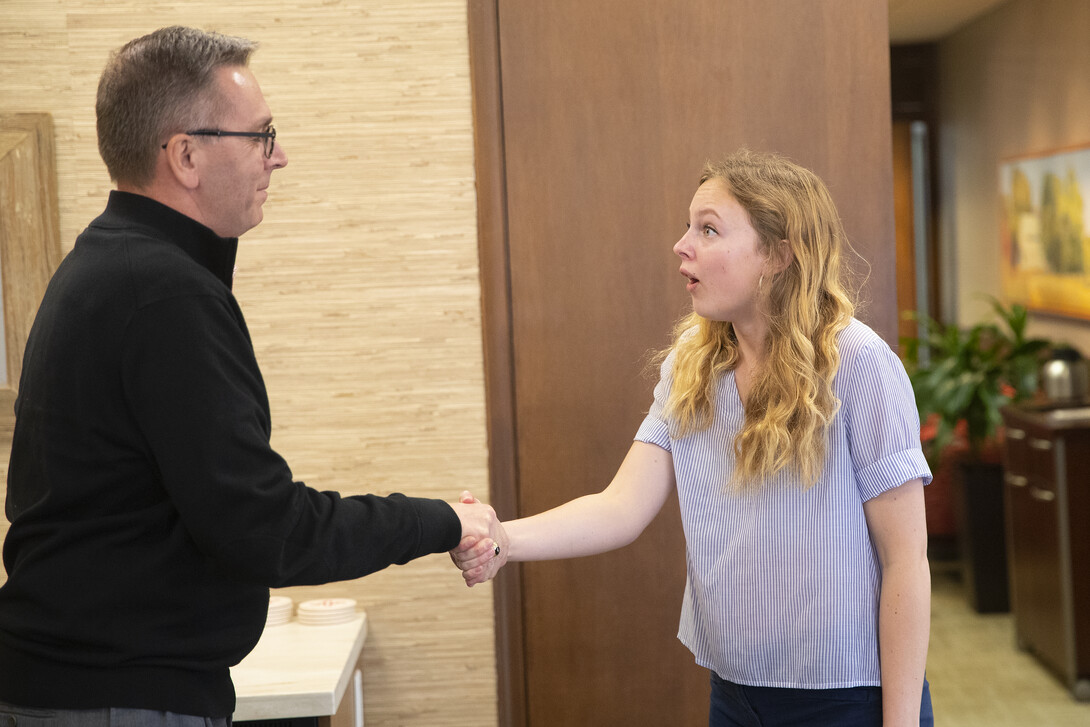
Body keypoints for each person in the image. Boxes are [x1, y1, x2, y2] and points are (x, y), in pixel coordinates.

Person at [0, 26, 502, 723]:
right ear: (185, 155)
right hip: (119, 697)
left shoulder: (106, 266)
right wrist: (442, 519)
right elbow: (263, 527)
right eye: (262, 135)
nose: (280, 156)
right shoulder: (162, 293)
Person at [454, 150, 934, 726]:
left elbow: (906, 559)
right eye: (689, 227)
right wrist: (503, 539)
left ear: (780, 254)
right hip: (734, 695)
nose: (683, 246)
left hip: (848, 699)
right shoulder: (691, 363)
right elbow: (619, 508)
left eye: (708, 229)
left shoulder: (858, 362)